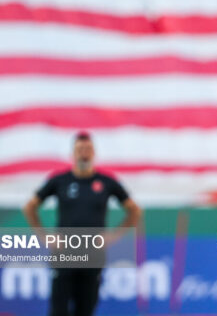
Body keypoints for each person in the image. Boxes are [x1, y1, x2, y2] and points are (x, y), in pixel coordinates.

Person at [23, 131, 141, 316]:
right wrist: (44, 236)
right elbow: (30, 207)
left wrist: (114, 235)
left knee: (85, 309)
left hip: (92, 254)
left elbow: (134, 210)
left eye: (88, 149)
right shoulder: (59, 180)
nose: (84, 152)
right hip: (64, 254)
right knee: (58, 310)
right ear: (73, 153)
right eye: (80, 149)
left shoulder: (106, 182)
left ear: (94, 153)